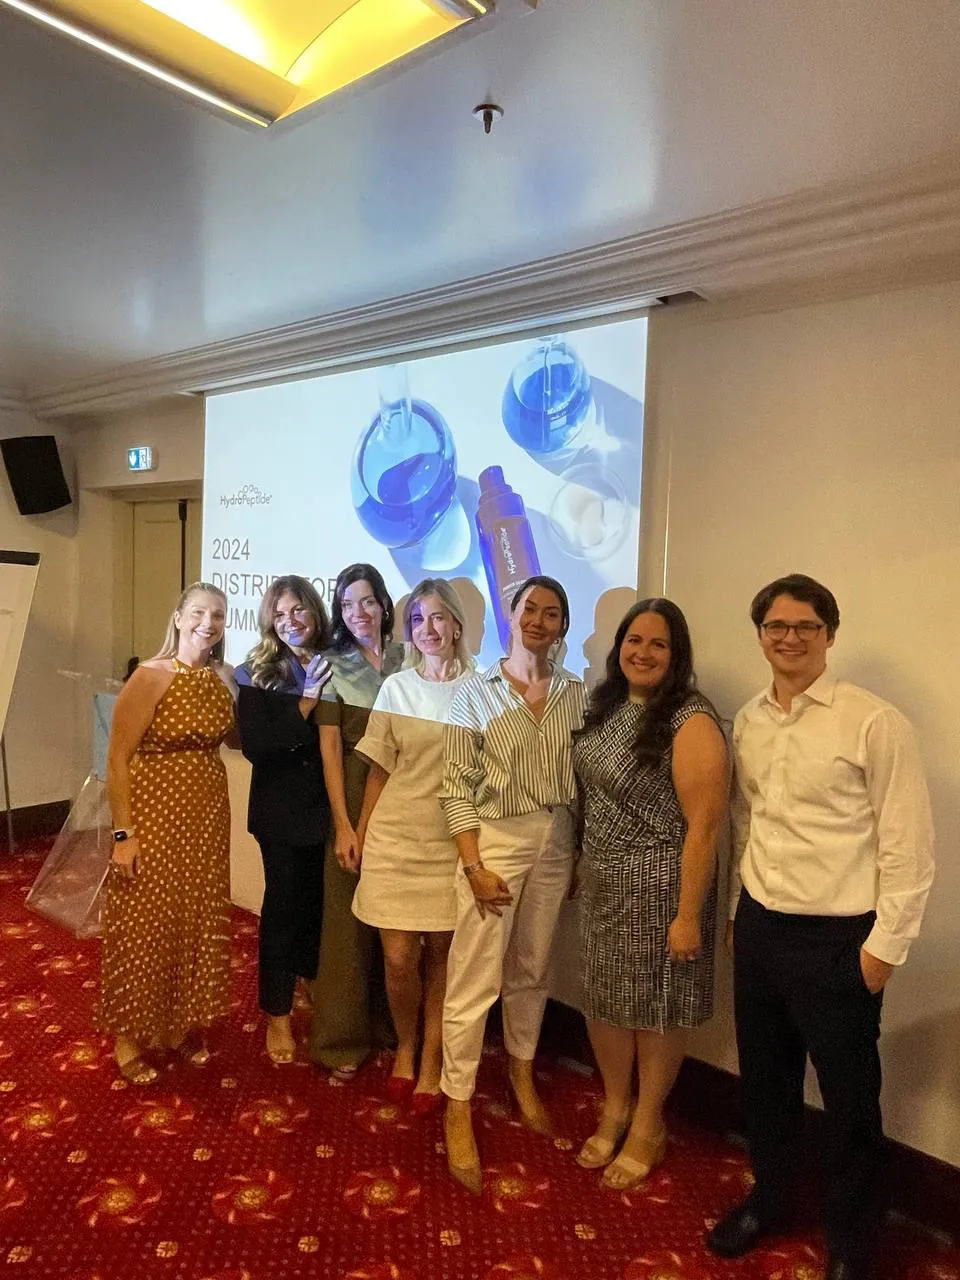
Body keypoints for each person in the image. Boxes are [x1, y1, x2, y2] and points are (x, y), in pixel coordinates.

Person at [706, 574, 935, 1280]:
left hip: (840, 942)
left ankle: (853, 1241)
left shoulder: (873, 723)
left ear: (829, 636)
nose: (790, 638)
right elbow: (747, 821)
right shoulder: (748, 721)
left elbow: (909, 847)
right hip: (762, 927)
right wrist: (739, 912)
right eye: (776, 626)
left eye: (806, 626)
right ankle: (771, 1200)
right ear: (760, 636)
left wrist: (882, 952)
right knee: (765, 1084)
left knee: (850, 1105)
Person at [572, 599, 728, 1190]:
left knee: (657, 1008)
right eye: (633, 640)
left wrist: (688, 916)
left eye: (658, 644)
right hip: (604, 883)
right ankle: (615, 1107)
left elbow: (705, 827)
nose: (642, 652)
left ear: (676, 654)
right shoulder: (609, 704)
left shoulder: (691, 720)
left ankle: (647, 1124)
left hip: (663, 888)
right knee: (605, 1002)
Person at [439, 575, 586, 1194]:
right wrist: (473, 866)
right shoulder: (474, 692)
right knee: (475, 976)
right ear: (513, 614)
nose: (539, 621)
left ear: (562, 626)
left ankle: (521, 1072)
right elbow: (455, 787)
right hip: (495, 841)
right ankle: (457, 1102)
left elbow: (585, 780)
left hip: (557, 839)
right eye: (530, 609)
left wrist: (576, 853)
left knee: (532, 965)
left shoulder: (578, 694)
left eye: (552, 613)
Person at [100, 582, 236, 1084]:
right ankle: (129, 1036)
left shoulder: (223, 678)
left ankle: (177, 1024)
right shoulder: (150, 676)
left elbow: (237, 741)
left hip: (206, 816)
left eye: (217, 615)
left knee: (193, 918)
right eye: (198, 613)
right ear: (178, 618)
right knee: (147, 921)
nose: (207, 623)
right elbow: (117, 758)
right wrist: (124, 835)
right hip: (154, 814)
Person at [352, 579, 472, 1109]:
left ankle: (431, 1058)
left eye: (439, 617)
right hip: (395, 839)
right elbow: (379, 769)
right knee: (399, 957)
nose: (429, 629)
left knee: (443, 956)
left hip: (452, 842)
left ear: (457, 626)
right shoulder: (396, 688)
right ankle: (405, 1043)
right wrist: (360, 832)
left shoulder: (483, 691)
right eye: (418, 620)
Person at [308, 563, 403, 1077]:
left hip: (404, 793)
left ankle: (390, 1026)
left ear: (384, 604)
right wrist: (343, 824)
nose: (357, 613)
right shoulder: (331, 664)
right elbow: (328, 748)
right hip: (351, 782)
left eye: (366, 601)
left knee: (395, 915)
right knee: (346, 919)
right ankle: (341, 1039)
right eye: (346, 605)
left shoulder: (407, 656)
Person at [234, 576, 331, 1065]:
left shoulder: (335, 662)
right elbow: (257, 746)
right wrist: (306, 704)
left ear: (314, 611)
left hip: (327, 806)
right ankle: (277, 1011)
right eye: (279, 614)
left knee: (317, 904)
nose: (290, 621)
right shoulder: (256, 670)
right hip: (280, 812)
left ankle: (307, 979)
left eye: (297, 610)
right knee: (283, 908)